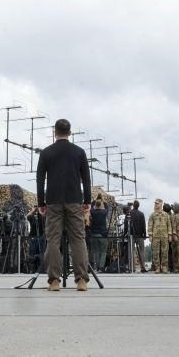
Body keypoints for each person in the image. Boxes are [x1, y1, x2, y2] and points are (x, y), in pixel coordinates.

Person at [35, 118, 91, 291]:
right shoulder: (79, 152)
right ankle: (81, 279)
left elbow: (39, 180)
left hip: (53, 201)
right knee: (78, 239)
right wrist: (87, 201)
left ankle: (54, 281)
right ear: (70, 132)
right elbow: (86, 180)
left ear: (55, 132)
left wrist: (41, 202)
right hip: (74, 200)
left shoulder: (46, 153)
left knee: (53, 240)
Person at [88, 197, 109, 271]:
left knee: (96, 251)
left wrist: (94, 201)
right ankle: (101, 266)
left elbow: (91, 206)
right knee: (103, 252)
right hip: (102, 234)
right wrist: (104, 200)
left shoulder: (93, 212)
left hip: (94, 234)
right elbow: (107, 207)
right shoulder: (104, 212)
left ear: (96, 206)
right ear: (101, 205)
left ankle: (97, 267)